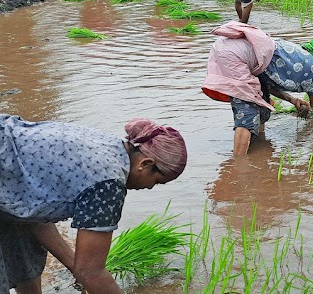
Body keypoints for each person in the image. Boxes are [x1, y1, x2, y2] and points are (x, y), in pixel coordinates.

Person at [0, 114, 187, 294]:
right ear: (145, 164)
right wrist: (85, 273)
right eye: (156, 181)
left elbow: (34, 210)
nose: (150, 187)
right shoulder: (109, 182)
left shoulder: (108, 145)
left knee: (22, 250)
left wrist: (74, 266)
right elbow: (90, 272)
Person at [201, 21, 313, 156]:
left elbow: (267, 81)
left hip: (227, 45)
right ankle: (238, 165)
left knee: (262, 102)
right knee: (247, 109)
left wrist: (292, 100)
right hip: (235, 55)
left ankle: (258, 146)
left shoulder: (295, 53)